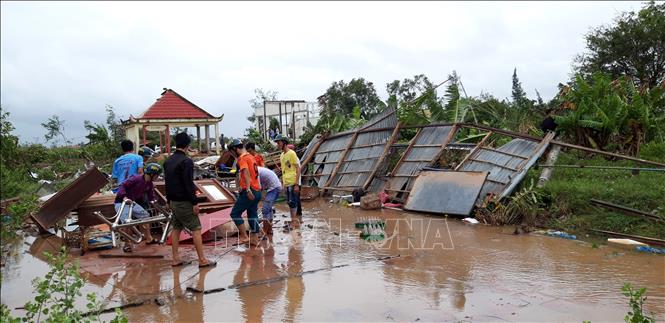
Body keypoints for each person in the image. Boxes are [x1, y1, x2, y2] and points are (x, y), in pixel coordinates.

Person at [164, 132, 216, 268]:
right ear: (188, 145)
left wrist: (168, 200)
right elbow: (188, 183)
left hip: (173, 202)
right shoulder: (186, 161)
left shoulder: (168, 161)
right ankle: (202, 260)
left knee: (176, 228)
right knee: (196, 228)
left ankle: (175, 259)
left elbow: (167, 182)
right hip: (184, 202)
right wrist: (194, 202)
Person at [114, 163, 162, 252]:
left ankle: (149, 238)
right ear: (152, 174)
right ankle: (127, 244)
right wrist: (124, 197)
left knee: (145, 216)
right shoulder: (136, 178)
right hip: (122, 202)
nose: (157, 177)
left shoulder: (149, 183)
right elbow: (122, 186)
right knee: (126, 223)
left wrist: (154, 203)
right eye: (157, 175)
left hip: (132, 203)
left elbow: (151, 195)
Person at [227, 139, 263, 245]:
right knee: (252, 214)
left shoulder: (242, 159)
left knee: (235, 213)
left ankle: (244, 236)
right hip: (257, 191)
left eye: (232, 153)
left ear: (235, 149)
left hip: (249, 191)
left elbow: (246, 172)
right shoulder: (251, 157)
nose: (232, 155)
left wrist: (247, 189)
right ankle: (255, 239)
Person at [274, 135, 301, 228]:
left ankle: (294, 221)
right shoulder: (282, 155)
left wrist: (297, 184)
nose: (277, 144)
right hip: (287, 182)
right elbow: (283, 170)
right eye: (277, 143)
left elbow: (298, 169)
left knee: (293, 201)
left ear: (284, 143)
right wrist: (283, 183)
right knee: (289, 202)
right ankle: (293, 220)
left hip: (293, 181)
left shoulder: (292, 154)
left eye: (279, 142)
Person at [257, 166, 281, 235]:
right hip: (275, 187)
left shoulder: (255, 171)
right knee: (269, 209)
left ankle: (264, 231)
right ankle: (269, 230)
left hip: (274, 188)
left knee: (265, 209)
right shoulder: (257, 169)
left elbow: (258, 187)